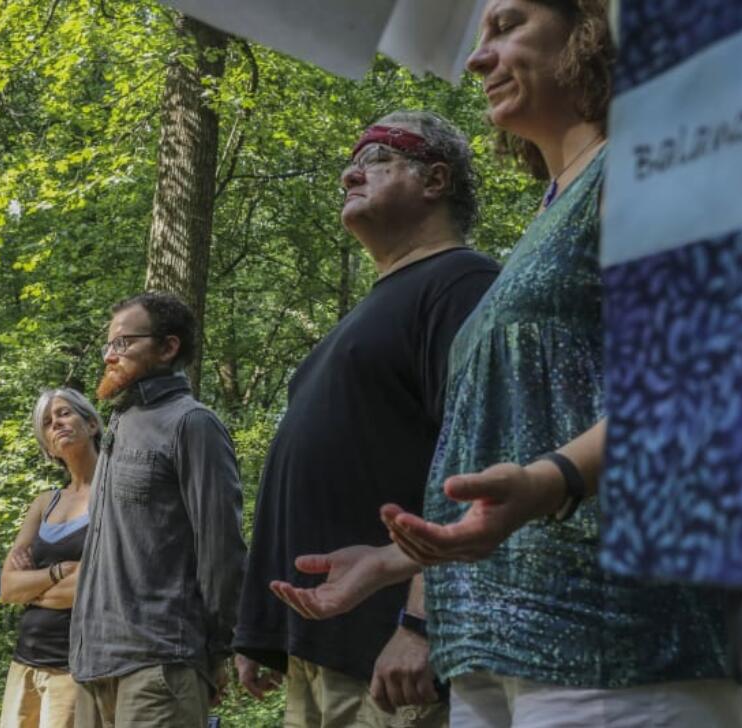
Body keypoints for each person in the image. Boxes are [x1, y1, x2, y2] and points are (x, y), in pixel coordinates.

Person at [271, 2, 742, 726]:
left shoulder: (645, 163)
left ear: (593, 31)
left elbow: (710, 373)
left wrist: (552, 479)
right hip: (493, 646)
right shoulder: (549, 216)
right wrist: (401, 560)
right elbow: (517, 433)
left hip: (618, 635)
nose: (475, 57)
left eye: (509, 24)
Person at [233, 110, 498, 727]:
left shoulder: (462, 284)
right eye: (350, 163)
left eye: (378, 156)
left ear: (435, 180)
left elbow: (476, 458)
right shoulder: (369, 311)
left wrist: (421, 620)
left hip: (389, 654)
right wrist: (262, 627)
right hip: (322, 643)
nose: (352, 172)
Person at [69, 291, 246, 728]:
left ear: (168, 348)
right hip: (92, 667)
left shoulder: (193, 424)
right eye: (108, 345)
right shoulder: (118, 424)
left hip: (161, 664)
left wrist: (224, 647)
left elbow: (222, 549)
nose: (111, 356)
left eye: (124, 343)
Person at [0, 388, 102, 728]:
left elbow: (97, 584)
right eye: (47, 422)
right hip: (24, 662)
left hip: (73, 666)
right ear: (46, 444)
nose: (56, 423)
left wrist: (34, 586)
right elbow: (8, 588)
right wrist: (58, 571)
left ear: (91, 423)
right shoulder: (45, 503)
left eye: (64, 413)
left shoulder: (113, 494)